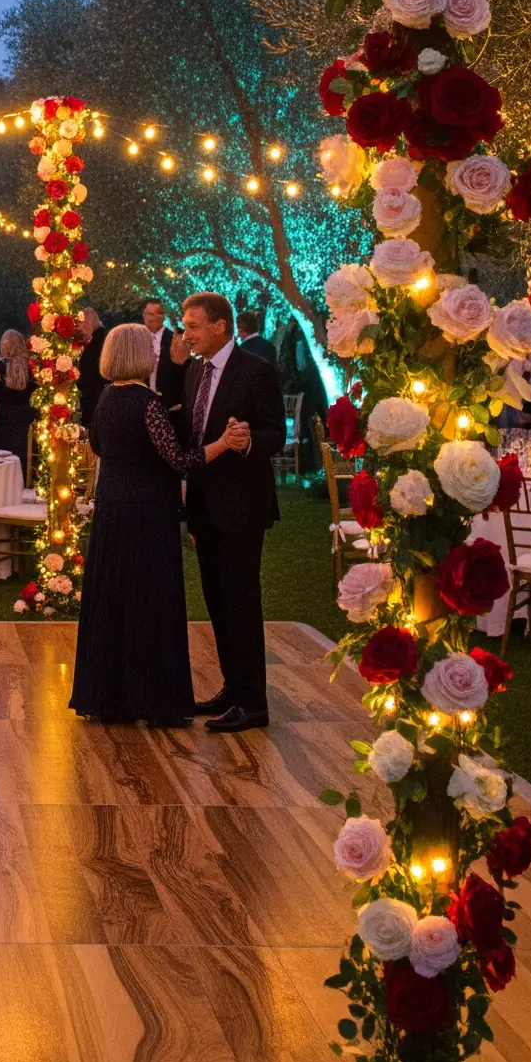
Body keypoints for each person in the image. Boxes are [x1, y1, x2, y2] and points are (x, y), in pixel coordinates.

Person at [70, 322, 235, 725]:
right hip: (146, 515)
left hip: (112, 511)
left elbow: (98, 445)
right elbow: (179, 459)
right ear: (138, 354)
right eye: (150, 348)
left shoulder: (106, 397)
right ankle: (153, 699)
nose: (157, 353)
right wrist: (222, 444)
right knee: (149, 603)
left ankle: (110, 696)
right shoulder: (147, 403)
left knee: (113, 600)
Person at [178, 291, 286, 733]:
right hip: (204, 507)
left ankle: (254, 705)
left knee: (240, 602)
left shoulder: (255, 370)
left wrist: (247, 441)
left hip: (241, 507)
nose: (186, 334)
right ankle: (233, 687)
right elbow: (194, 436)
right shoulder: (194, 371)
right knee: (217, 602)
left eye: (193, 326)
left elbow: (276, 433)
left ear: (220, 326)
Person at [0, 328, 33, 480]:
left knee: (4, 454)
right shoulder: (29, 366)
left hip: (5, 417)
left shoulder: (1, 366)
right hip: (23, 416)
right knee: (21, 452)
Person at [138, 295, 186, 414]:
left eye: (159, 313)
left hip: (170, 407)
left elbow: (184, 374)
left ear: (164, 315)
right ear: (144, 315)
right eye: (151, 314)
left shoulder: (176, 339)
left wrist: (181, 402)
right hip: (139, 405)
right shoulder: (136, 339)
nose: (155, 317)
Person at [75, 305, 109, 432]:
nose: (79, 328)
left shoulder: (97, 343)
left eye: (81, 324)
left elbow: (89, 374)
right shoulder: (101, 339)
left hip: (94, 400)